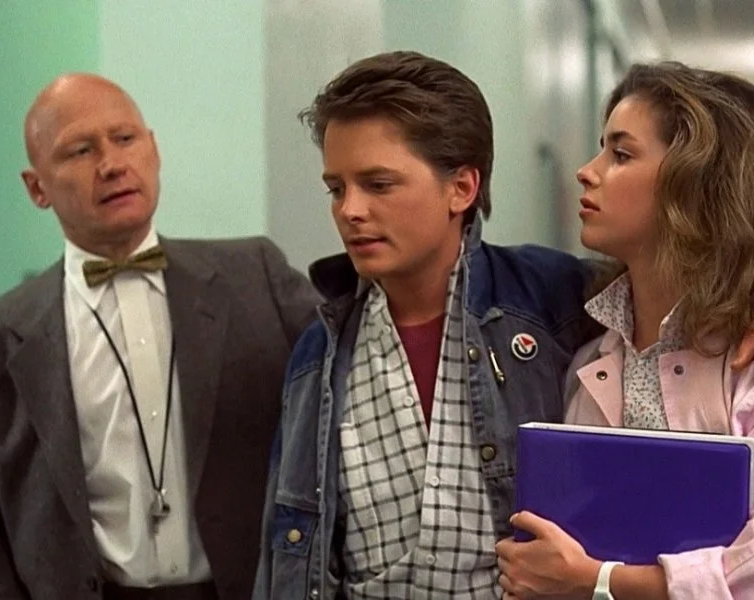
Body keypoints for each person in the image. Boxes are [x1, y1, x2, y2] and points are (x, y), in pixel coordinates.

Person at [0, 73, 318, 600]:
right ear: (37, 188)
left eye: (125, 139)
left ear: (154, 149)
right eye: (81, 150)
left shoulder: (256, 276)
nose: (112, 164)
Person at [253, 50, 600, 600]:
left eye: (378, 184)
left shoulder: (551, 301)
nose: (350, 210)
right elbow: (291, 551)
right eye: (337, 188)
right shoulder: (320, 354)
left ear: (461, 188)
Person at [496, 63, 754, 599]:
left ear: (695, 181)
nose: (585, 172)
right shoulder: (590, 361)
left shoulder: (742, 362)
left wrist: (599, 580)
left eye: (621, 154)